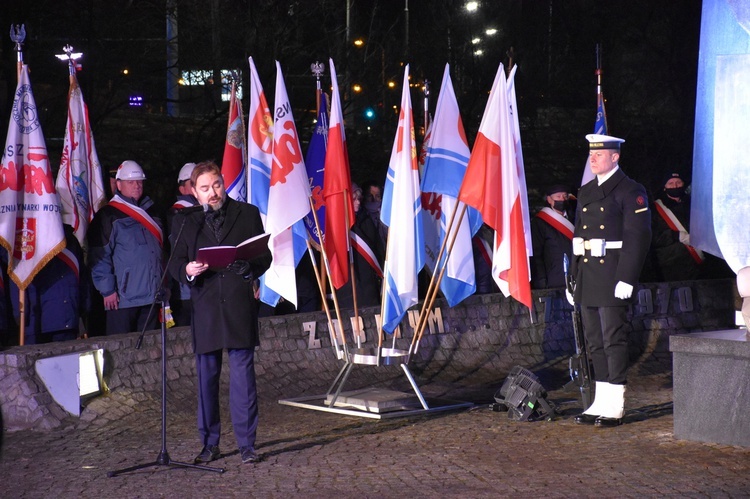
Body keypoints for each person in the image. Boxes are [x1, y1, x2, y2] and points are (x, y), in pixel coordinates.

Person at [168, 161, 271, 465]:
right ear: (194, 192)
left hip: (239, 304)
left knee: (243, 379)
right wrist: (187, 270)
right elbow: (174, 264)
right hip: (206, 307)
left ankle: (247, 444)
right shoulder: (185, 221)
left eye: (216, 185)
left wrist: (250, 267)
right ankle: (209, 443)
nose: (212, 192)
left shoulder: (247, 213)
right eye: (205, 188)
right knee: (206, 379)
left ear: (223, 184)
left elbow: (264, 255)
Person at [569, 134, 651, 428]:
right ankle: (600, 400)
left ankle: (615, 402)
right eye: (591, 154)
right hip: (589, 276)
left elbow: (638, 237)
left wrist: (627, 277)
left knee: (613, 338)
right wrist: (574, 277)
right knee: (594, 342)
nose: (593, 158)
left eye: (599, 154)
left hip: (614, 273)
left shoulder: (630, 191)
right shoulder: (587, 190)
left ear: (615, 157)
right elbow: (580, 236)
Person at [88, 160, 164, 335]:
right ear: (119, 185)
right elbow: (99, 256)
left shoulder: (152, 212)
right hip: (123, 299)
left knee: (150, 349)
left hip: (152, 296)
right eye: (131, 182)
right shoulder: (108, 216)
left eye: (139, 182)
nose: (137, 186)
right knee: (121, 349)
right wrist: (107, 290)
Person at [7, 225, 89, 344]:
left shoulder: (70, 240)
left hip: (65, 317)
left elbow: (81, 277)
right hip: (36, 322)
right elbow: (18, 279)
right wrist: (19, 315)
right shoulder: (24, 241)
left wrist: (83, 309)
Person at [649, 172, 703, 281]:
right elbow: (651, 236)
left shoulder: (694, 204)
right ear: (664, 187)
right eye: (671, 183)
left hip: (698, 265)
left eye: (678, 182)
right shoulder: (655, 209)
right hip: (671, 265)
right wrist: (676, 235)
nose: (675, 186)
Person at [337, 183, 384, 309]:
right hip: (348, 290)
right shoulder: (338, 225)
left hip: (369, 286)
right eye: (353, 199)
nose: (357, 202)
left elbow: (377, 247)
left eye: (359, 199)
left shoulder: (366, 219)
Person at [167, 162, 199, 326]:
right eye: (192, 183)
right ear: (182, 189)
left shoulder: (207, 209)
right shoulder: (176, 214)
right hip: (185, 289)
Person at [531, 185, 575, 289]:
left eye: (564, 196)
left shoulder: (573, 218)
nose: (562, 199)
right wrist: (541, 280)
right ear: (549, 199)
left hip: (574, 278)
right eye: (558, 196)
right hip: (552, 280)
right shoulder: (540, 222)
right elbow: (537, 253)